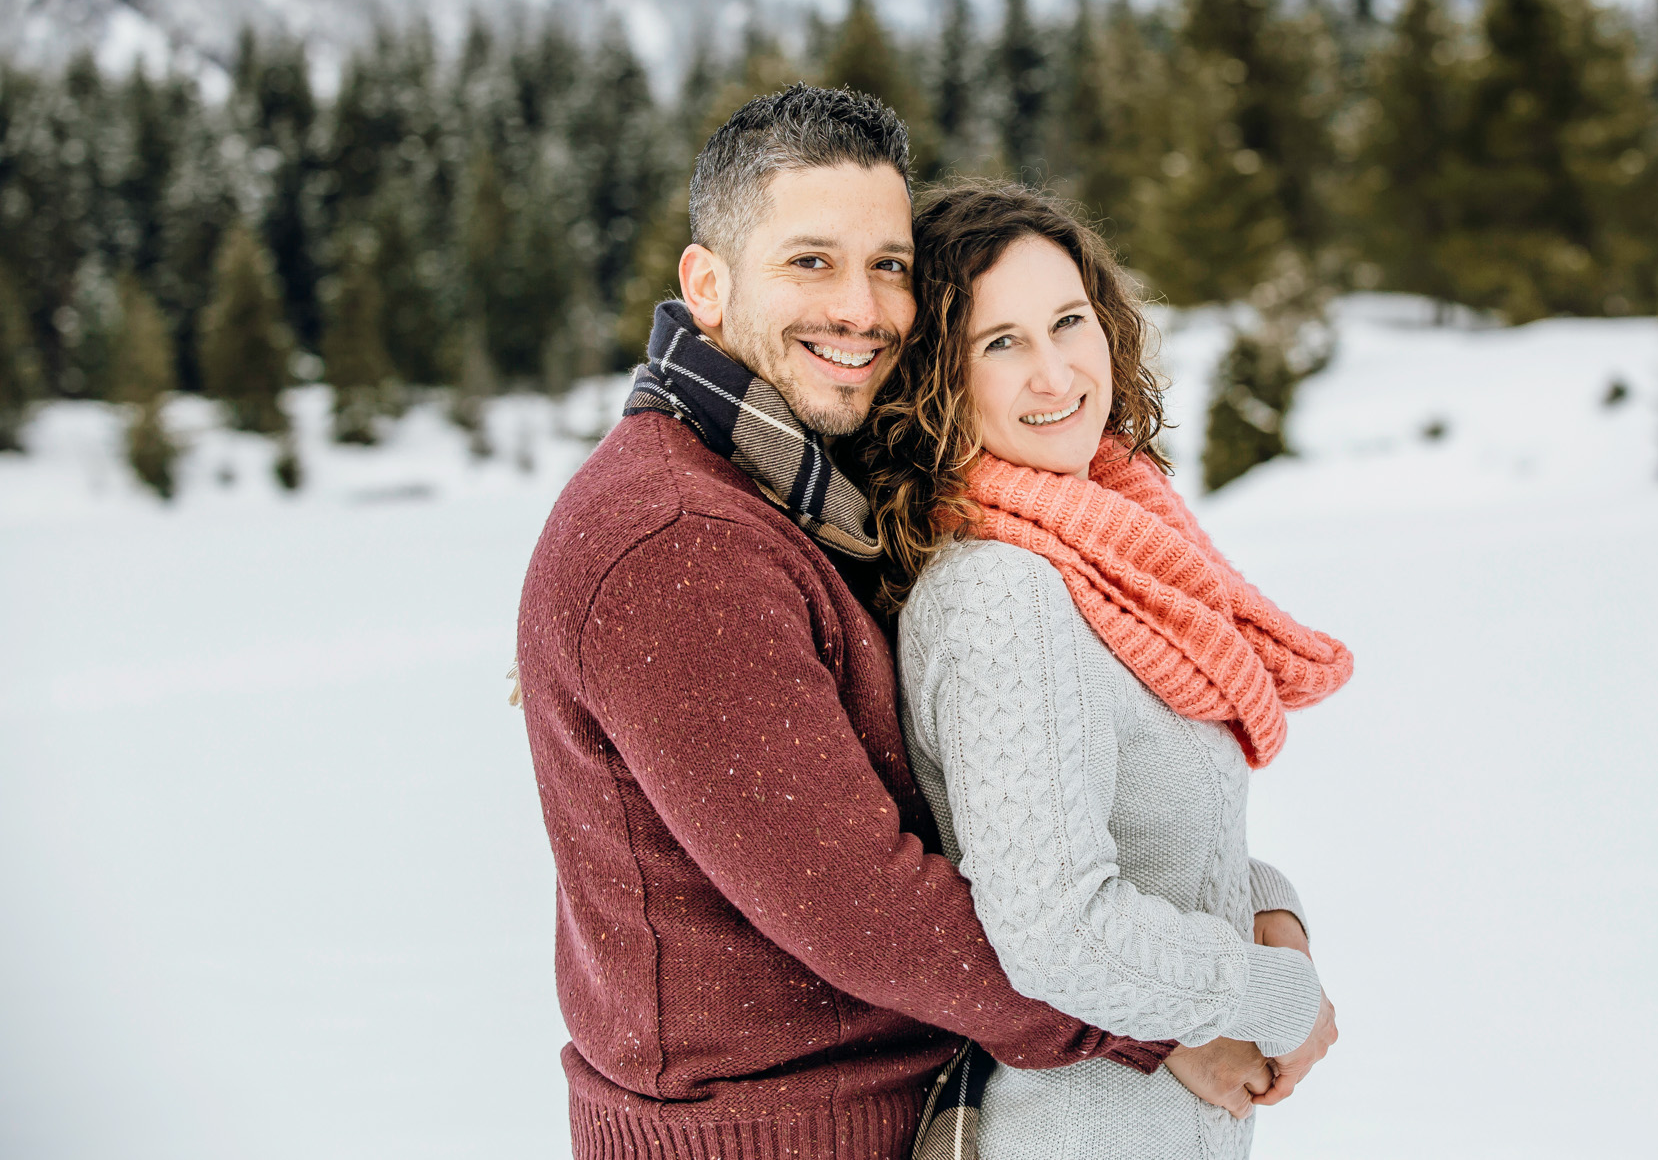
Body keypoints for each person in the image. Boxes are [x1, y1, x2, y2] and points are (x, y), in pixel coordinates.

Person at [513, 85, 1297, 1159]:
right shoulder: (680, 541)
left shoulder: (799, 506)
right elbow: (864, 906)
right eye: (808, 261)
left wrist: (1256, 910)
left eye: (887, 265)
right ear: (706, 283)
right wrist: (1155, 1028)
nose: (861, 307)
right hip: (770, 1135)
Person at [861, 179, 1354, 1158]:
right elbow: (1058, 929)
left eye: (1066, 322)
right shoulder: (1003, 591)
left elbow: (1126, 820)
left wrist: (1267, 904)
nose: (1055, 374)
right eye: (1000, 343)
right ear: (933, 379)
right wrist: (1275, 994)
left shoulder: (1103, 556)